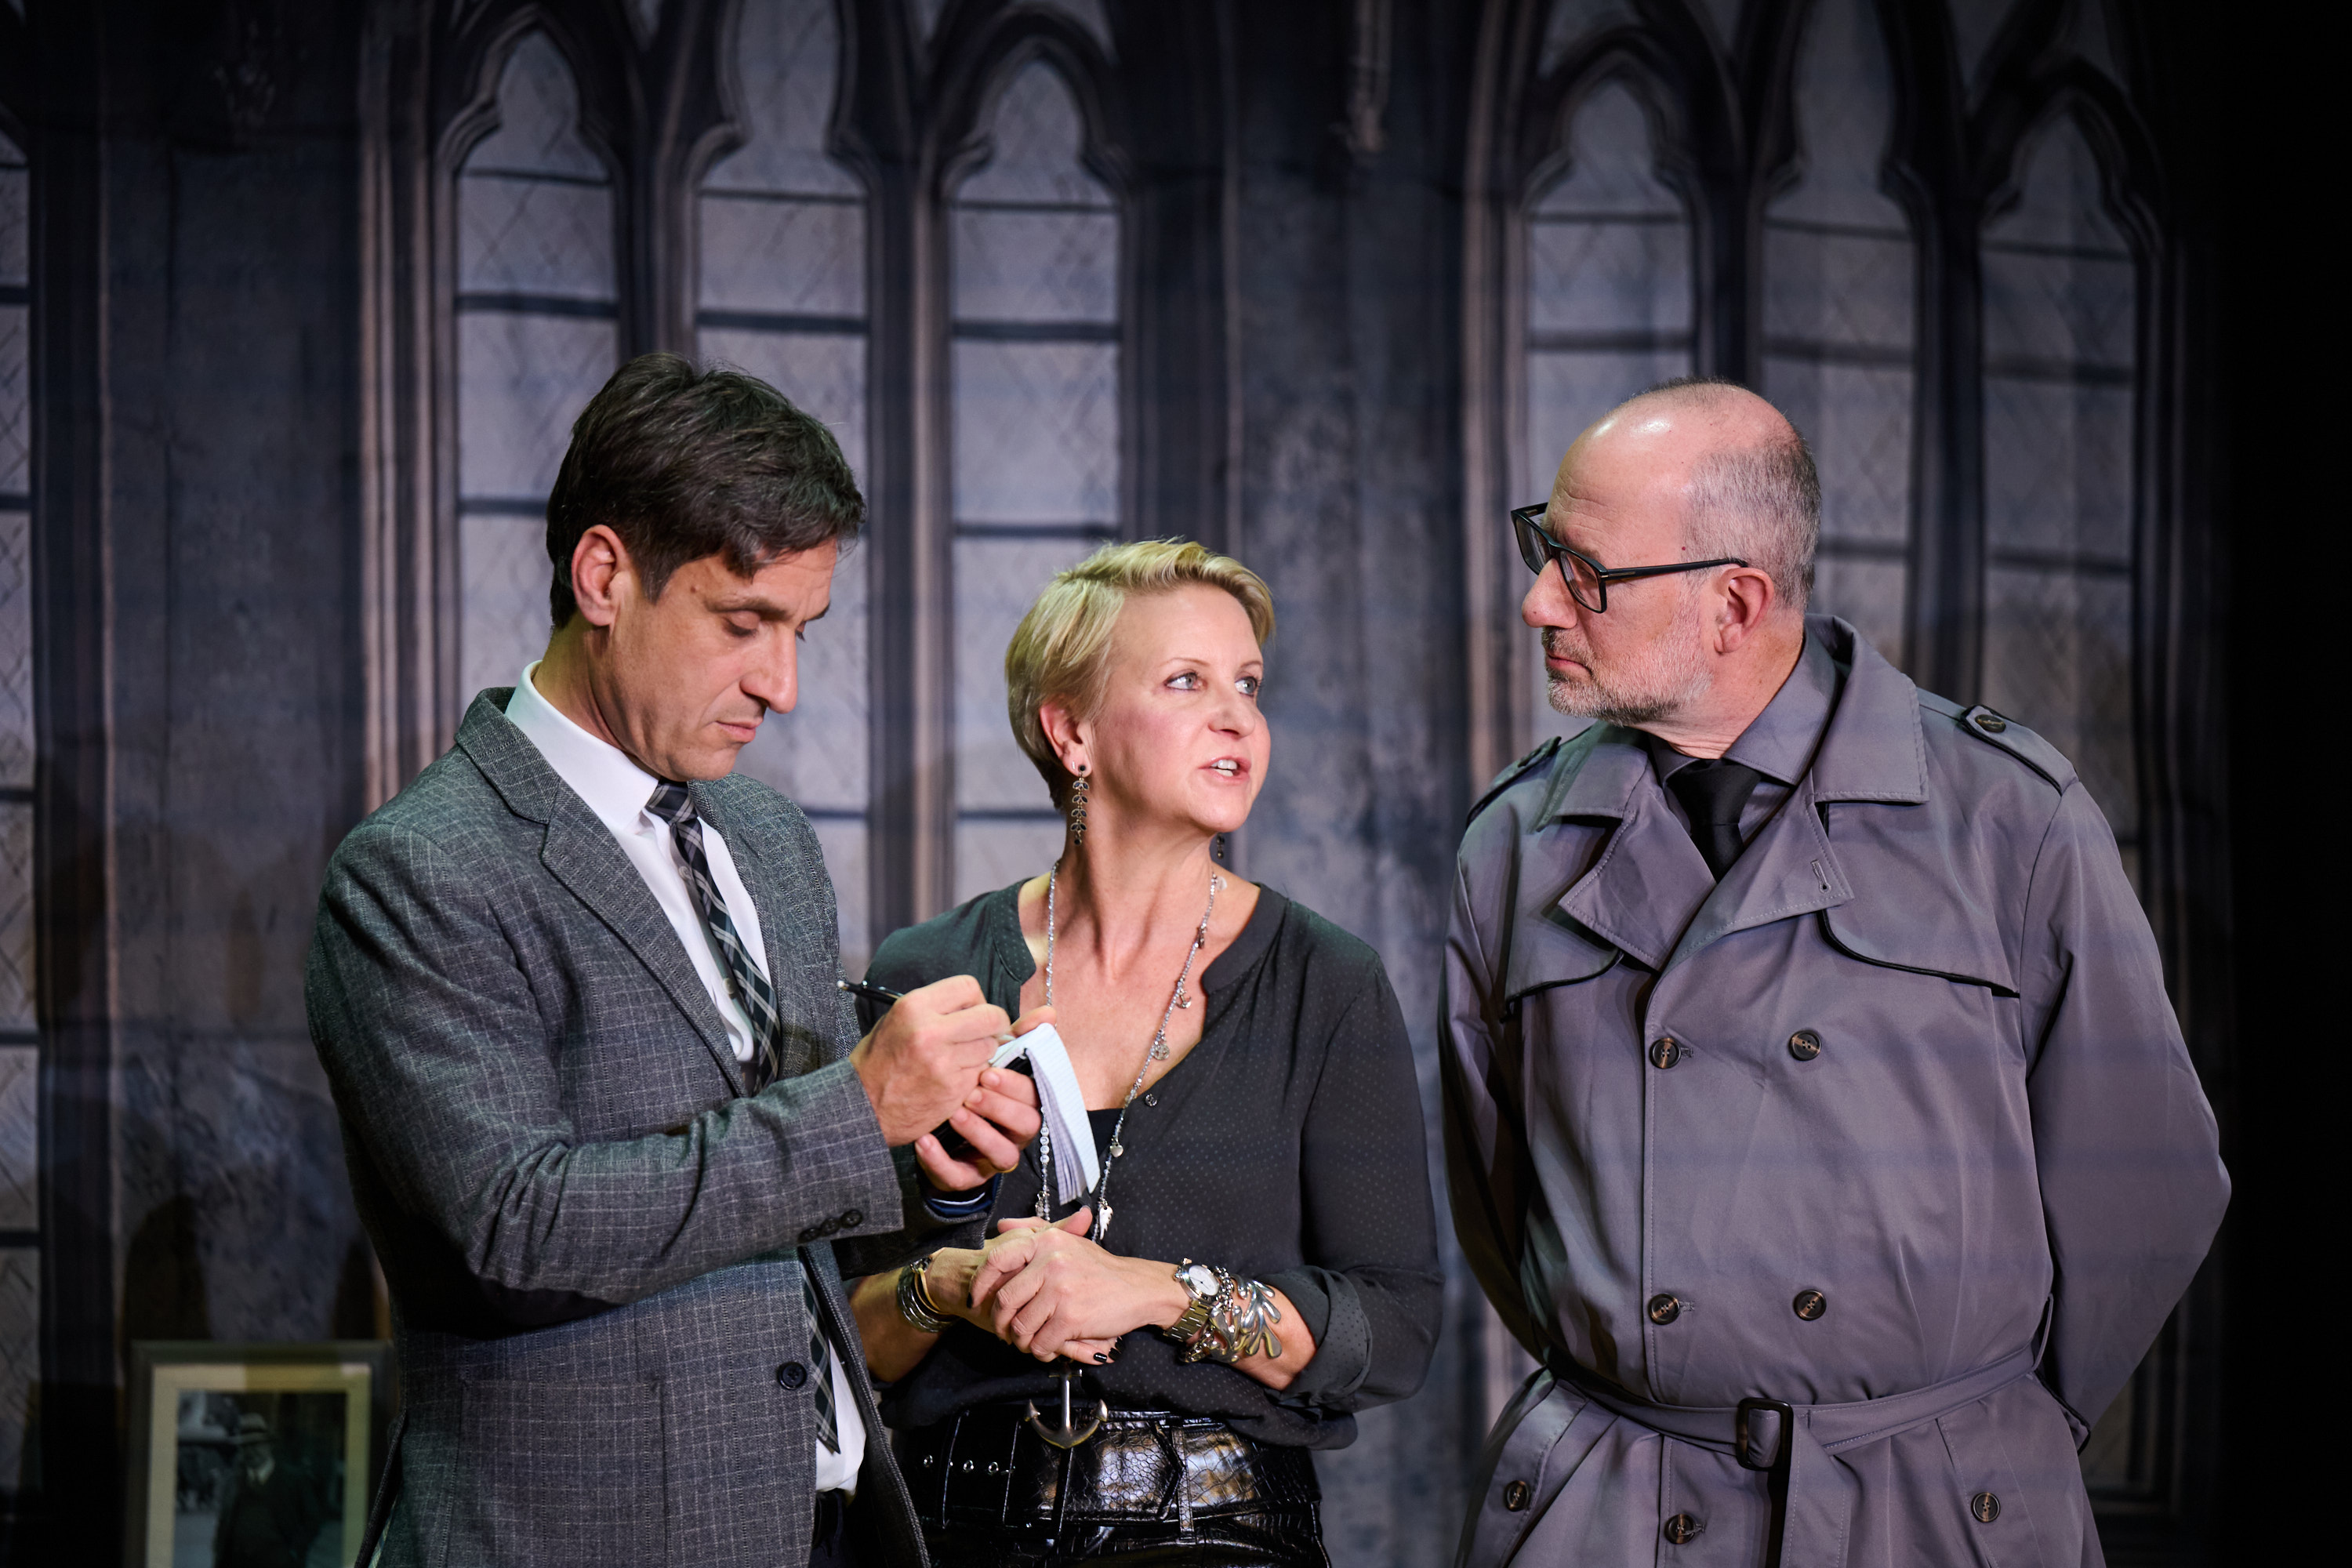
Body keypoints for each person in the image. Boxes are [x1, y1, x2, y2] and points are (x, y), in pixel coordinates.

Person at [1442, 379, 2228, 1566]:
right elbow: (1498, 1197)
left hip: (1935, 1507)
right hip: (1614, 1506)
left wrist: (1986, 1428)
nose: (1538, 599)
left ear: (1735, 602)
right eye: (1541, 548)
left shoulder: (2007, 818)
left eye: (1586, 571)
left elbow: (2149, 1182)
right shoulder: (1513, 843)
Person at [306, 354, 1047, 1568]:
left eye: (801, 631)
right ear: (604, 576)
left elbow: (803, 1206)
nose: (782, 686)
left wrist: (936, 1155)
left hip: (821, 1528)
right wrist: (857, 1110)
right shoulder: (420, 872)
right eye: (743, 624)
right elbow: (512, 1232)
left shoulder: (767, 838)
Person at [845, 540, 1443, 1565]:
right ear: (1071, 731)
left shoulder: (1325, 982)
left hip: (1219, 1529)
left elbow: (1394, 1330)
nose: (1237, 718)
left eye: (1248, 684)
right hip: (947, 1528)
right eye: (1185, 681)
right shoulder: (929, 972)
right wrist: (950, 1283)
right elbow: (842, 1334)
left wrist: (1159, 1291)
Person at [212, 1413, 328, 1568]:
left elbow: (313, 1520)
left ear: (268, 1445)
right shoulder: (233, 1482)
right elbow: (224, 1525)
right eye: (245, 1446)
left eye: (255, 1444)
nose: (250, 1451)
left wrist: (295, 1551)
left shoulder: (294, 1480)